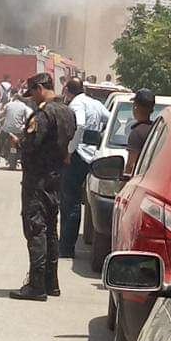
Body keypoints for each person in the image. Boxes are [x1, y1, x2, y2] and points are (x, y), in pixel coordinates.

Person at [9, 72, 75, 301]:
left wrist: (18, 142)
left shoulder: (43, 114)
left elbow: (31, 144)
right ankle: (50, 283)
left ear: (39, 88)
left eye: (33, 93)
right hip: (56, 177)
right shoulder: (67, 111)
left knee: (36, 227)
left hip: (38, 179)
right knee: (50, 229)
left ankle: (36, 285)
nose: (32, 98)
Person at [59, 77, 110, 257]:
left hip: (77, 156)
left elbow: (79, 124)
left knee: (70, 202)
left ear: (67, 91)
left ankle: (66, 247)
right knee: (79, 201)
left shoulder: (76, 104)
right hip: (92, 155)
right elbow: (111, 119)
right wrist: (99, 138)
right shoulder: (95, 103)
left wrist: (70, 150)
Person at [0, 88, 32, 169]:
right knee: (24, 144)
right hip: (19, 130)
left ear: (13, 97)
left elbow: (1, 114)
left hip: (7, 130)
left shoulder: (8, 104)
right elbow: (28, 118)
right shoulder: (24, 106)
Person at [124, 89, 155, 175]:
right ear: (152, 110)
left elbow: (131, 165)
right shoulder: (157, 128)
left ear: (136, 107)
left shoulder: (137, 133)